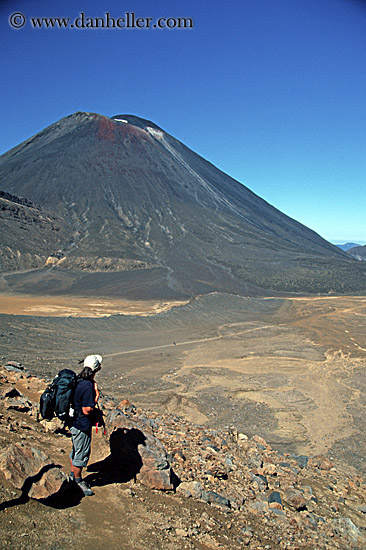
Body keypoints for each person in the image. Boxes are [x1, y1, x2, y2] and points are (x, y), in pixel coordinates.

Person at [69, 354, 102, 496]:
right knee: (81, 453)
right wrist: (96, 396)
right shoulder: (87, 386)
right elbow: (87, 409)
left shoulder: (78, 380)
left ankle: (72, 475)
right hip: (82, 424)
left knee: (76, 450)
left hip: (74, 422)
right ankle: (77, 481)